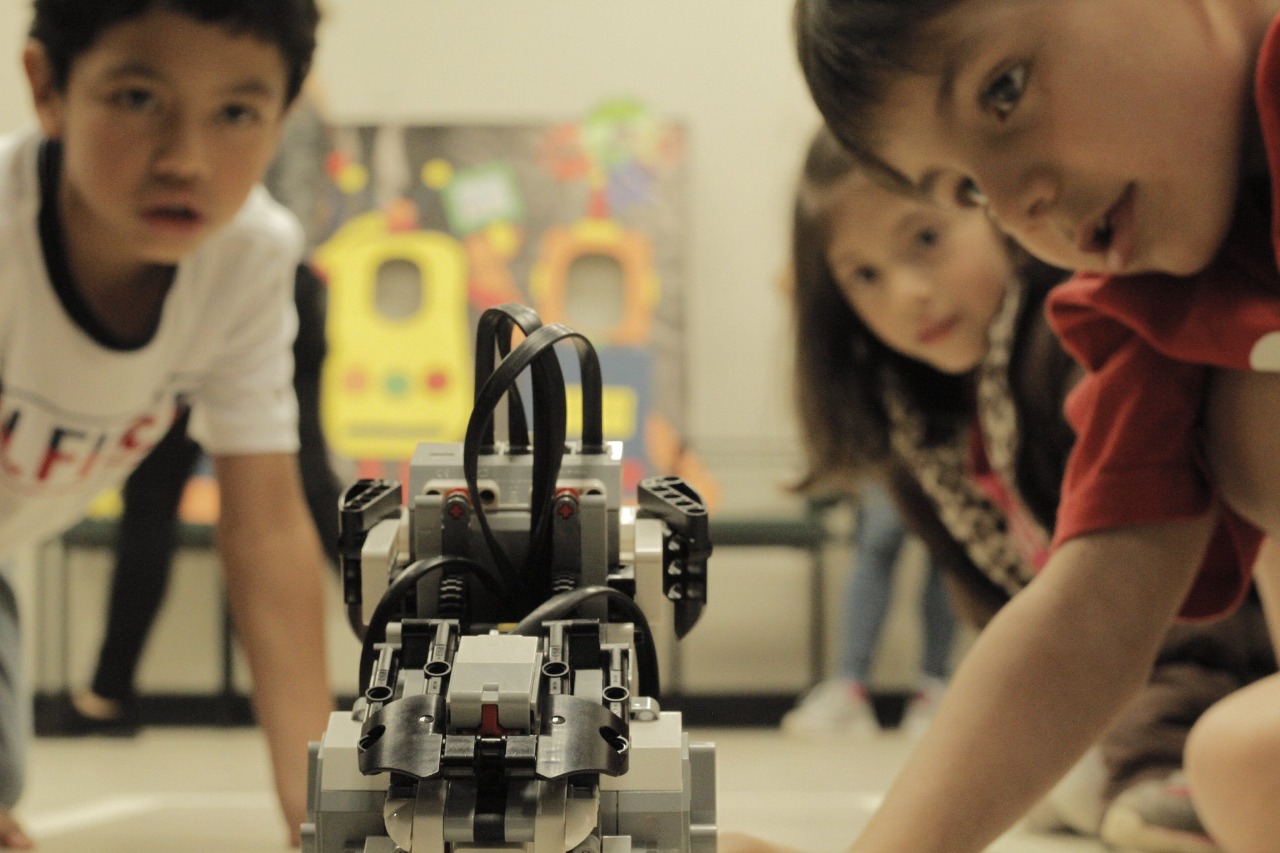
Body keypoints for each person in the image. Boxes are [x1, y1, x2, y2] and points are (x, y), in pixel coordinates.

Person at [783, 2, 1280, 851]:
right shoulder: (1159, 294)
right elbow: (1089, 611)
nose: (1018, 207)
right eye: (970, 187)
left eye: (1005, 91)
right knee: (1240, 765)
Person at [0, 0, 334, 847]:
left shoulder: (251, 256)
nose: (185, 159)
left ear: (283, 116)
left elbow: (264, 532)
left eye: (236, 113)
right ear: (47, 87)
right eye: (139, 99)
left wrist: (322, 818)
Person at [58, 262, 341, 737]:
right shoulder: (266, 242)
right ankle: (427, 660)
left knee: (153, 506)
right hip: (267, 283)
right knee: (309, 490)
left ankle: (108, 693)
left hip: (203, 290)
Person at [780, 480, 955, 737]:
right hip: (892, 449)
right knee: (881, 545)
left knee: (944, 555)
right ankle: (853, 690)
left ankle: (931, 692)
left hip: (943, 446)